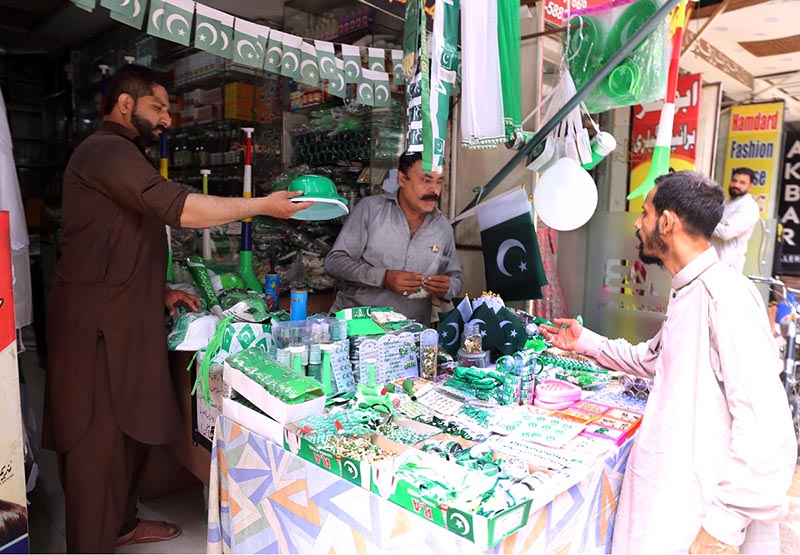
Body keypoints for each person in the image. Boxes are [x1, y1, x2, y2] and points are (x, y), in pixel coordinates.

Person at [42, 64, 312, 553]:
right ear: (126, 103)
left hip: (126, 315)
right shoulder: (105, 150)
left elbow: (120, 241)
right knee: (95, 446)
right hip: (95, 328)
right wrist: (259, 205)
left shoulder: (126, 155)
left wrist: (162, 289)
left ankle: (121, 525)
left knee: (127, 437)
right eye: (159, 107)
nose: (168, 118)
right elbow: (178, 208)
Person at [540, 171, 795, 554]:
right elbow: (653, 358)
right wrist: (586, 342)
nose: (637, 224)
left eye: (644, 213)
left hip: (698, 514)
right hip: (673, 498)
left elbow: (767, 428)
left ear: (667, 221)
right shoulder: (690, 289)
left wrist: (721, 530)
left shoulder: (724, 296)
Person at [324, 152, 463, 325]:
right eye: (426, 180)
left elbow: (455, 277)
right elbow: (334, 263)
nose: (433, 190)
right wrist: (384, 278)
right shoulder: (370, 210)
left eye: (439, 181)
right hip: (358, 326)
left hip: (410, 332)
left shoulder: (442, 227)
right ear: (402, 179)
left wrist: (447, 287)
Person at [711, 167, 760, 272]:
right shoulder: (726, 202)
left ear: (751, 185)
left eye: (742, 183)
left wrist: (704, 222)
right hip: (713, 260)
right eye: (734, 181)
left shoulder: (748, 206)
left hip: (729, 265)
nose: (736, 185)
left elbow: (726, 233)